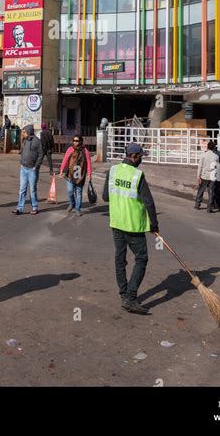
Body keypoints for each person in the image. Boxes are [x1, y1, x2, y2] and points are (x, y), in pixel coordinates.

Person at [103, 143, 159, 315]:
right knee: (141, 259)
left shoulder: (112, 171)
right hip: (134, 226)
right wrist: (154, 225)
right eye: (141, 156)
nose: (141, 159)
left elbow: (105, 197)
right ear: (134, 156)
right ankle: (130, 297)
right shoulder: (137, 175)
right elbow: (149, 202)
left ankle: (124, 293)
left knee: (120, 259)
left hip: (116, 223)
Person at [13, 125, 43, 215]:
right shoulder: (25, 140)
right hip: (24, 168)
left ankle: (34, 207)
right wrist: (22, 162)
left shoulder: (37, 141)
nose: (22, 133)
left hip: (32, 170)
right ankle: (20, 208)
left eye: (24, 132)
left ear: (28, 132)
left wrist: (36, 166)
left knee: (32, 189)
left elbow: (41, 154)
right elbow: (22, 152)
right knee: (22, 189)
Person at [59, 135, 92, 217]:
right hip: (70, 174)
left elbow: (88, 163)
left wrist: (89, 174)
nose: (75, 142)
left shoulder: (85, 151)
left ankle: (78, 209)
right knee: (70, 191)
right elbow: (65, 160)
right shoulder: (70, 149)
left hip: (81, 175)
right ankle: (72, 203)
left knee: (79, 192)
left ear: (81, 141)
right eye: (74, 140)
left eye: (77, 141)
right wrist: (61, 171)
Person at [195, 139, 220, 212]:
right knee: (211, 192)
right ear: (214, 148)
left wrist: (198, 176)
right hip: (212, 177)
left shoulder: (203, 155)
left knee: (201, 190)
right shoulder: (216, 157)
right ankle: (209, 208)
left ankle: (197, 204)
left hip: (204, 176)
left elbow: (200, 167)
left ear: (207, 147)